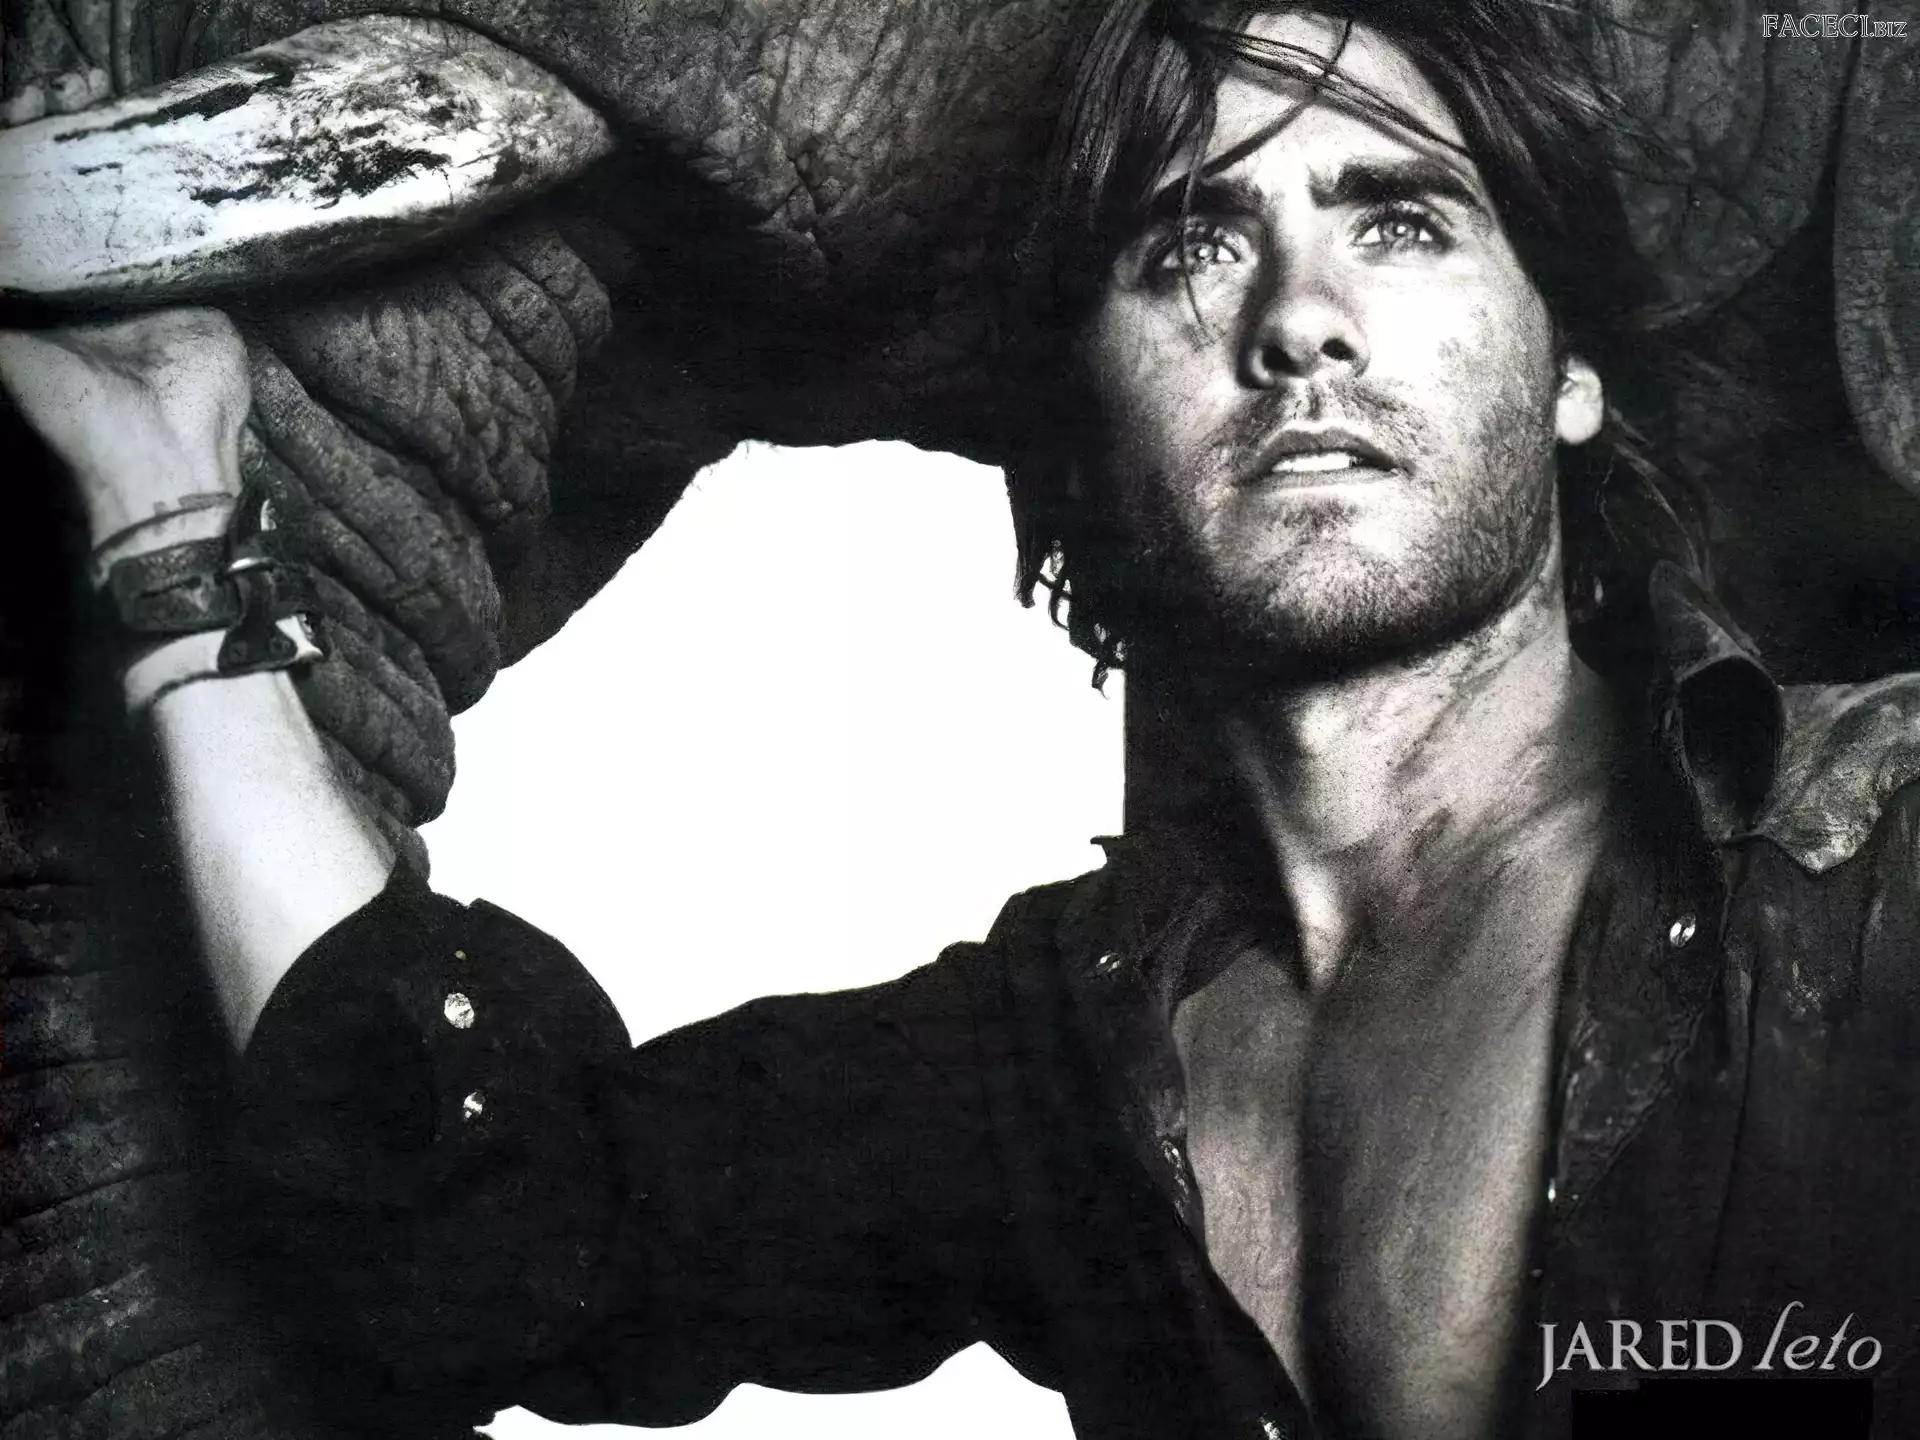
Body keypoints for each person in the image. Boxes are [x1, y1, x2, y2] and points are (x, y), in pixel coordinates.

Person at [4, 2, 1917, 1438]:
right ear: (1080, 429)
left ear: (1573, 372)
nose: (1299, 320)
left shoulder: (1878, 871)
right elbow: (505, 1229)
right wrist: (178, 529)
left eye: (1401, 223)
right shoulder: (1077, 1059)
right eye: (1190, 248)